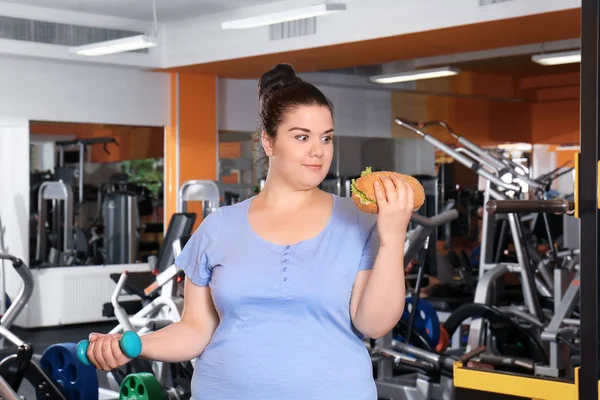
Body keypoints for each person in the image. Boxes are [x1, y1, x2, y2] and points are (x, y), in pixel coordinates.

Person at [84, 63, 414, 400]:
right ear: (269, 142)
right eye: (302, 136)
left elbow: (374, 325)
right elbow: (196, 330)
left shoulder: (358, 219)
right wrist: (134, 345)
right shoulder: (219, 227)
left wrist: (392, 238)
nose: (319, 150)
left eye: (326, 138)